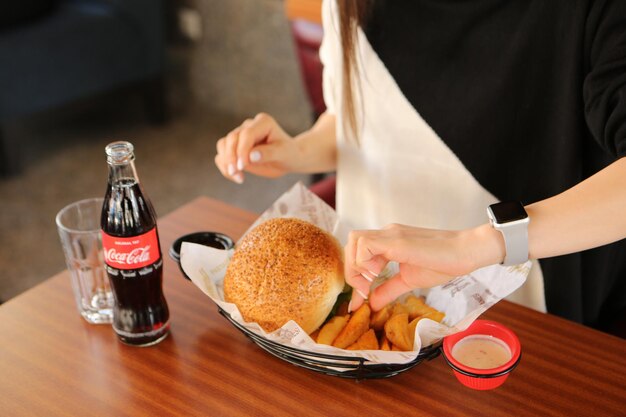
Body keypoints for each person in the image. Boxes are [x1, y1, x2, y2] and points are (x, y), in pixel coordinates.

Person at [214, 0, 626, 334]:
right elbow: (364, 119)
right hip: (370, 304)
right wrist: (299, 150)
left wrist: (477, 245)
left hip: (519, 319)